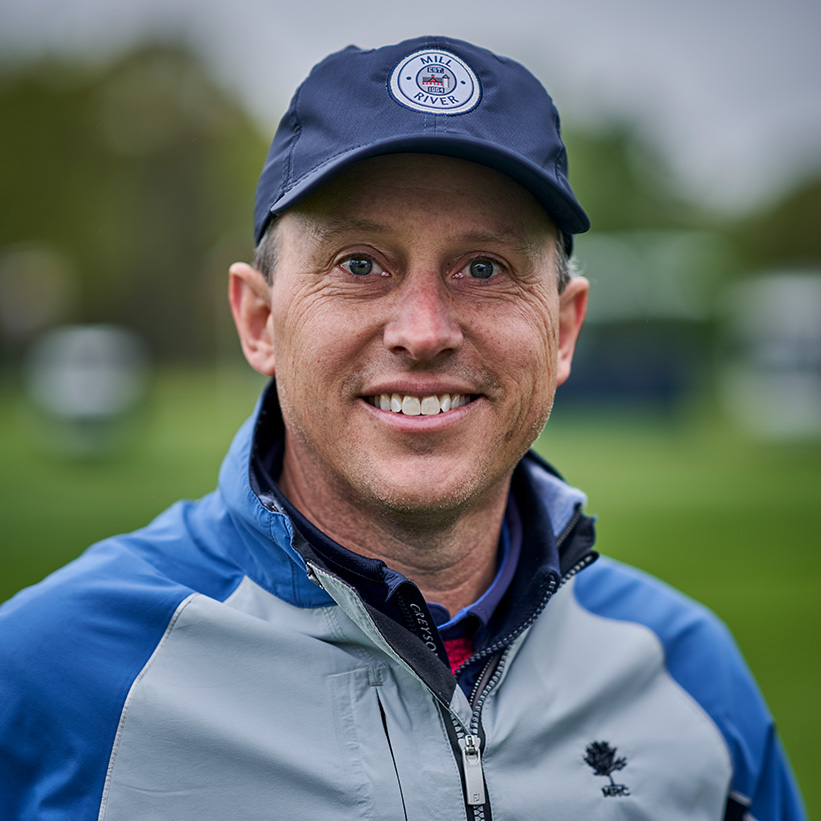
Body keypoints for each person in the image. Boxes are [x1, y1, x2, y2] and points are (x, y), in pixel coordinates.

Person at [0, 35, 805, 821]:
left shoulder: (688, 678)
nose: (422, 332)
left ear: (562, 330)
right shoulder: (50, 675)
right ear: (258, 319)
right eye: (359, 263)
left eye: (483, 267)